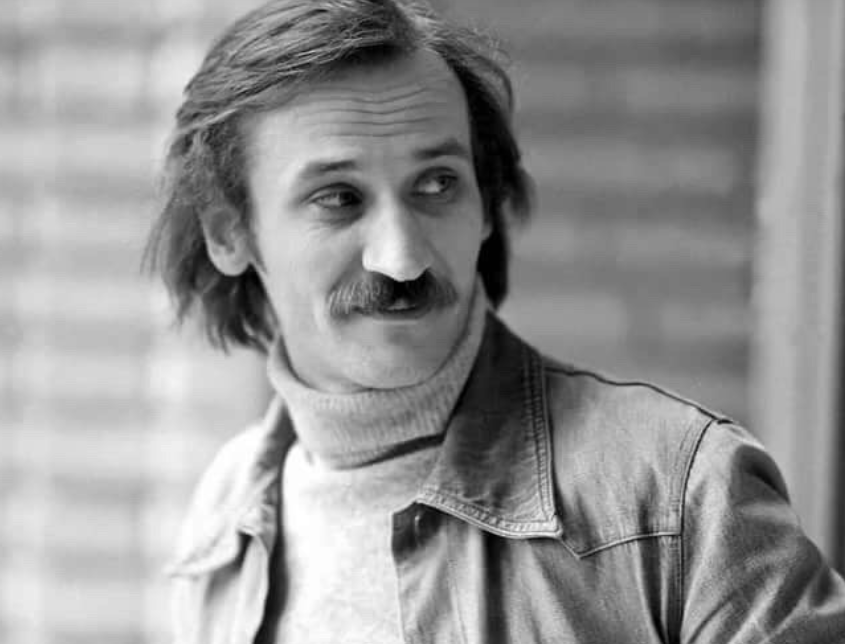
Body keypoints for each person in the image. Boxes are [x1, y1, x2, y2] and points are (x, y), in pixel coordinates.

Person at [146, 0, 845, 642]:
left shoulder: (681, 495)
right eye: (338, 198)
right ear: (229, 234)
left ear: (485, 204)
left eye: (437, 184)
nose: (401, 258)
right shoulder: (225, 514)